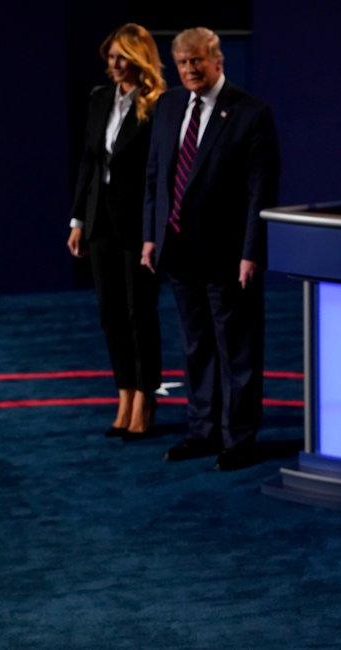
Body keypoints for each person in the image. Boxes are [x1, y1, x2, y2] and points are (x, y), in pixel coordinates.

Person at [141, 27, 280, 470]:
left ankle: (238, 438)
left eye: (197, 61)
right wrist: (150, 235)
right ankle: (202, 431)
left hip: (227, 254)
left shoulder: (250, 113)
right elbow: (154, 178)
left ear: (218, 61)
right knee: (196, 344)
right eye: (182, 63)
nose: (189, 70)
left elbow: (262, 190)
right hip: (177, 248)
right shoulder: (168, 106)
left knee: (236, 348)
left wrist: (251, 251)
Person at [68, 23, 166, 439]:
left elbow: (160, 173)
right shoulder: (99, 99)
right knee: (110, 313)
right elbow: (89, 164)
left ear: (140, 58)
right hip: (100, 222)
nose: (116, 64)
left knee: (138, 312)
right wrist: (77, 221)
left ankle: (145, 399)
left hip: (138, 224)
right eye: (111, 57)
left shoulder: (160, 105)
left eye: (123, 56)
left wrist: (155, 229)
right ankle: (123, 394)